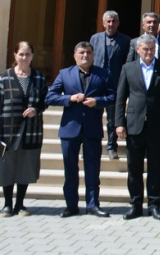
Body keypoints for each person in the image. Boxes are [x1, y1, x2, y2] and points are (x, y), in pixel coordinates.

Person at [45, 41, 115, 218]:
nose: (85, 55)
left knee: (93, 169)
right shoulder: (64, 74)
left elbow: (113, 96)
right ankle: (71, 205)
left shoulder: (103, 74)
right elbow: (50, 97)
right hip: (70, 130)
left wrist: (97, 102)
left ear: (93, 55)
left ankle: (93, 205)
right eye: (82, 53)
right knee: (70, 169)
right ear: (75, 56)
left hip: (92, 129)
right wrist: (70, 98)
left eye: (89, 53)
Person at [114, 34, 160, 220]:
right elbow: (120, 98)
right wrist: (119, 123)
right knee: (134, 168)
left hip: (157, 126)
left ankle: (154, 205)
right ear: (138, 50)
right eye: (145, 49)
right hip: (134, 125)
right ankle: (135, 204)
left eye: (152, 49)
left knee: (155, 167)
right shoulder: (128, 68)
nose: (149, 52)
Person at [0, 41, 47, 217]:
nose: (24, 57)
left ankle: (20, 204)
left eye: (27, 54)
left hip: (31, 130)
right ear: (15, 55)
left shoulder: (39, 77)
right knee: (7, 165)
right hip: (7, 129)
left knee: (26, 166)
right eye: (21, 54)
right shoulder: (5, 77)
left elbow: (45, 101)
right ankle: (7, 204)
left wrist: (36, 110)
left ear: (32, 56)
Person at [91, 10, 131, 160]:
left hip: (115, 84)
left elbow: (127, 62)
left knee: (112, 119)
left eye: (114, 21)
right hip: (97, 83)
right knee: (94, 116)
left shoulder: (126, 40)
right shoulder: (95, 39)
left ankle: (111, 146)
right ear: (103, 23)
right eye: (108, 21)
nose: (111, 24)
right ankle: (92, 145)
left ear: (118, 23)